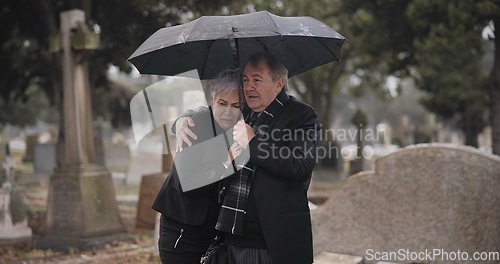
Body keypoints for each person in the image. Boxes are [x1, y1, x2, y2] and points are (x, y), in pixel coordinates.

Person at [176, 52, 319, 264]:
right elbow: (218, 107)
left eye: (257, 80)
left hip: (270, 242)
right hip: (230, 238)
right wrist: (183, 119)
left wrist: (252, 143)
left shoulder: (301, 115)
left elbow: (300, 165)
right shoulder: (246, 113)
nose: (249, 87)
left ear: (278, 83)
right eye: (245, 80)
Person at [152, 69, 245, 264]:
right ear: (213, 100)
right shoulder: (193, 126)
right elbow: (187, 184)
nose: (228, 111)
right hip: (182, 232)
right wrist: (225, 164)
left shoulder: (241, 129)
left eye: (236, 105)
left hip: (214, 235)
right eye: (222, 103)